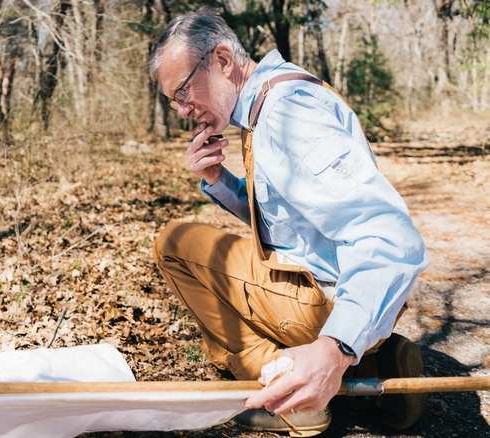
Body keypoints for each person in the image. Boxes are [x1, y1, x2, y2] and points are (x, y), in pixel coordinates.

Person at [149, 9, 429, 436]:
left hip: (332, 300)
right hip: (348, 298)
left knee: (174, 242)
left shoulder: (285, 115)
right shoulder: (274, 98)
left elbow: (388, 234)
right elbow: (287, 220)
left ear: (223, 60)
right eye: (176, 100)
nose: (184, 110)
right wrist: (218, 180)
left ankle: (286, 391)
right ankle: (373, 367)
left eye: (184, 91)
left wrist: (334, 349)